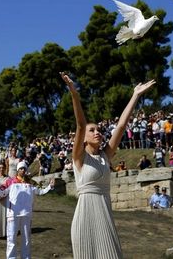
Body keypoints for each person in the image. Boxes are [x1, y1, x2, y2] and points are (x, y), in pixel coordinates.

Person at [61, 72, 155, 258]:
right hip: (84, 216)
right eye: (92, 130)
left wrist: (135, 95)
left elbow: (120, 126)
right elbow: (80, 124)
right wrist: (74, 93)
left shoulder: (106, 155)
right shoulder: (78, 157)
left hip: (105, 214)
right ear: (84, 138)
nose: (97, 132)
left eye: (99, 130)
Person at [0, 161, 55, 259]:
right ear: (17, 170)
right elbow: (1, 193)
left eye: (24, 168)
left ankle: (26, 257)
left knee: (26, 239)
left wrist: (50, 187)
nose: (23, 170)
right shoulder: (10, 181)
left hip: (26, 214)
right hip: (13, 214)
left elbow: (39, 191)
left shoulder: (30, 183)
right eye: (21, 168)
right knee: (11, 239)